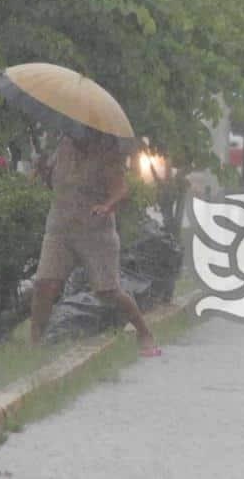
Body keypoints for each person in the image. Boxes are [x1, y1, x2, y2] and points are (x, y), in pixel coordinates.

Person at [30, 127, 161, 356]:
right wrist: (43, 173)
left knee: (107, 291)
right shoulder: (62, 146)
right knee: (44, 284)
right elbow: (57, 184)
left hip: (95, 232)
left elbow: (121, 189)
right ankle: (34, 345)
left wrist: (107, 205)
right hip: (60, 229)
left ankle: (144, 332)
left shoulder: (107, 151)